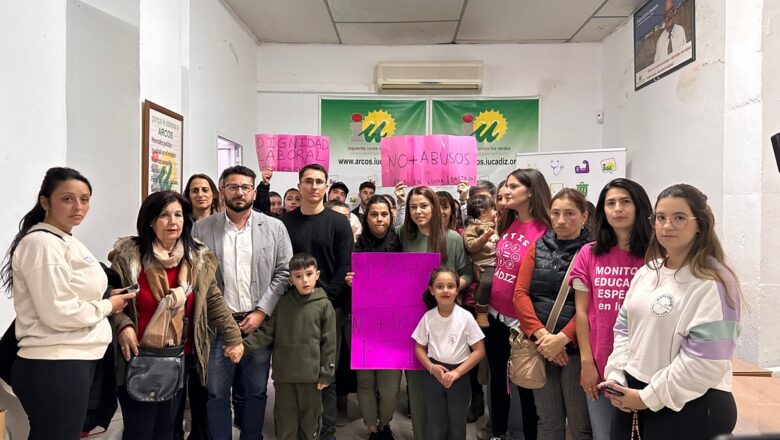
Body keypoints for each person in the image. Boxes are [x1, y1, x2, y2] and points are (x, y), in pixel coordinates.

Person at [600, 184, 742, 440]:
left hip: (690, 404)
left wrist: (648, 398)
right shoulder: (647, 272)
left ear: (699, 224)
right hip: (634, 395)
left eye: (679, 218)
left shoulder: (712, 281)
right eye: (661, 218)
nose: (667, 226)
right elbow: (624, 330)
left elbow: (704, 363)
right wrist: (617, 375)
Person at [1, 167, 134, 440]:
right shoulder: (41, 243)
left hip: (72, 361)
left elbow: (70, 295)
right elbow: (57, 311)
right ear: (44, 202)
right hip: (55, 363)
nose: (78, 207)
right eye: (67, 199)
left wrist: (105, 297)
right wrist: (107, 307)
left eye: (84, 199)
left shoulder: (65, 240)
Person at [108, 190, 244, 440]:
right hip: (138, 358)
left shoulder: (196, 259)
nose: (173, 222)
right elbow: (109, 298)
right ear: (150, 220)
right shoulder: (129, 258)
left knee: (167, 430)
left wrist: (234, 338)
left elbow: (213, 299)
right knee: (140, 431)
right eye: (164, 215)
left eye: (178, 215)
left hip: (178, 359)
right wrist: (122, 325)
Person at [193, 165, 293, 440]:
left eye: (246, 187)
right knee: (215, 392)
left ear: (253, 190)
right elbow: (196, 276)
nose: (240, 192)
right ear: (222, 191)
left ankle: (252, 436)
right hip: (216, 325)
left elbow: (284, 272)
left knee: (256, 390)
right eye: (233, 187)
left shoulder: (274, 227)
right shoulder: (201, 229)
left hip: (257, 323)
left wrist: (262, 311)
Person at [569, 178, 652, 440]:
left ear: (639, 207)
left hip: (647, 363)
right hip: (601, 361)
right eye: (610, 203)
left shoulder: (655, 253)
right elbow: (581, 312)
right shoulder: (588, 253)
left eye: (625, 202)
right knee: (604, 434)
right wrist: (587, 363)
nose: (618, 208)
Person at [513, 188, 593, 440]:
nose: (561, 220)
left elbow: (592, 305)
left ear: (584, 216)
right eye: (556, 213)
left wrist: (563, 338)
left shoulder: (593, 251)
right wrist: (543, 337)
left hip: (577, 350)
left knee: (580, 424)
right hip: (542, 347)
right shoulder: (538, 246)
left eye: (569, 213)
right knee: (548, 421)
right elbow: (520, 294)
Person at [282, 163, 353, 440]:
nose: (313, 186)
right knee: (296, 369)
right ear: (299, 185)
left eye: (319, 181)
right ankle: (300, 428)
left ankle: (327, 432)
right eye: (308, 181)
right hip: (292, 307)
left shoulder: (339, 223)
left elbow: (344, 266)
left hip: (328, 306)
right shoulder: (285, 222)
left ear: (326, 186)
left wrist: (327, 299)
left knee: (328, 371)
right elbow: (280, 264)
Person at [397, 185, 474, 440]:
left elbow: (467, 273)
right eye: (413, 207)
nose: (418, 211)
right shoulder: (402, 235)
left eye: (424, 205)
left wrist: (446, 290)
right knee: (418, 384)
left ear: (435, 207)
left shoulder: (451, 238)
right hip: (412, 317)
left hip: (447, 319)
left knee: (449, 387)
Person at [486, 168, 552, 440]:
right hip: (494, 314)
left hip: (520, 321)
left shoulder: (545, 230)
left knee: (526, 383)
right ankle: (498, 433)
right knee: (497, 378)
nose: (507, 192)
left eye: (514, 187)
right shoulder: (508, 222)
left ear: (531, 191)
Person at [243, 253, 337, 440]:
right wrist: (242, 346)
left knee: (310, 422)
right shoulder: (283, 304)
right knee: (285, 421)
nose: (305, 280)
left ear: (317, 275)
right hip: (284, 376)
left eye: (309, 274)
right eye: (298, 276)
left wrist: (326, 373)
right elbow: (266, 333)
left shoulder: (324, 305)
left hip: (311, 378)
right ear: (291, 279)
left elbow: (330, 344)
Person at [344, 195, 403, 439]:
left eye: (384, 214)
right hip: (362, 323)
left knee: (390, 386)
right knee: (366, 381)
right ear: (365, 217)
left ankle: (385, 423)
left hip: (394, 324)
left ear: (391, 216)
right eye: (373, 214)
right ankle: (370, 425)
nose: (379, 219)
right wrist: (350, 282)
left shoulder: (401, 244)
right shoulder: (355, 247)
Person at [412, 266, 485, 440]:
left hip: (459, 377)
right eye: (440, 286)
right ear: (432, 290)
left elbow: (479, 350)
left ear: (457, 289)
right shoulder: (428, 318)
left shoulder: (466, 317)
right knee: (436, 424)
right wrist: (431, 368)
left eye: (450, 286)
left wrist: (457, 372)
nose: (445, 290)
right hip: (433, 376)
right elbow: (419, 348)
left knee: (457, 426)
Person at [178, 173, 221, 439]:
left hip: (214, 302)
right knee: (189, 369)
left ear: (214, 194)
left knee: (206, 373)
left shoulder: (222, 223)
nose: (200, 194)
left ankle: (202, 429)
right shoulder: (181, 224)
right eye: (194, 190)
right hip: (186, 302)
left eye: (205, 189)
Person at [463, 194, 499, 328]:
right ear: (483, 212)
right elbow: (470, 246)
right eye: (493, 209)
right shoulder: (472, 227)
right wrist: (485, 237)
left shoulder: (496, 225)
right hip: (484, 263)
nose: (496, 212)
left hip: (497, 261)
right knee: (487, 282)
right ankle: (481, 311)